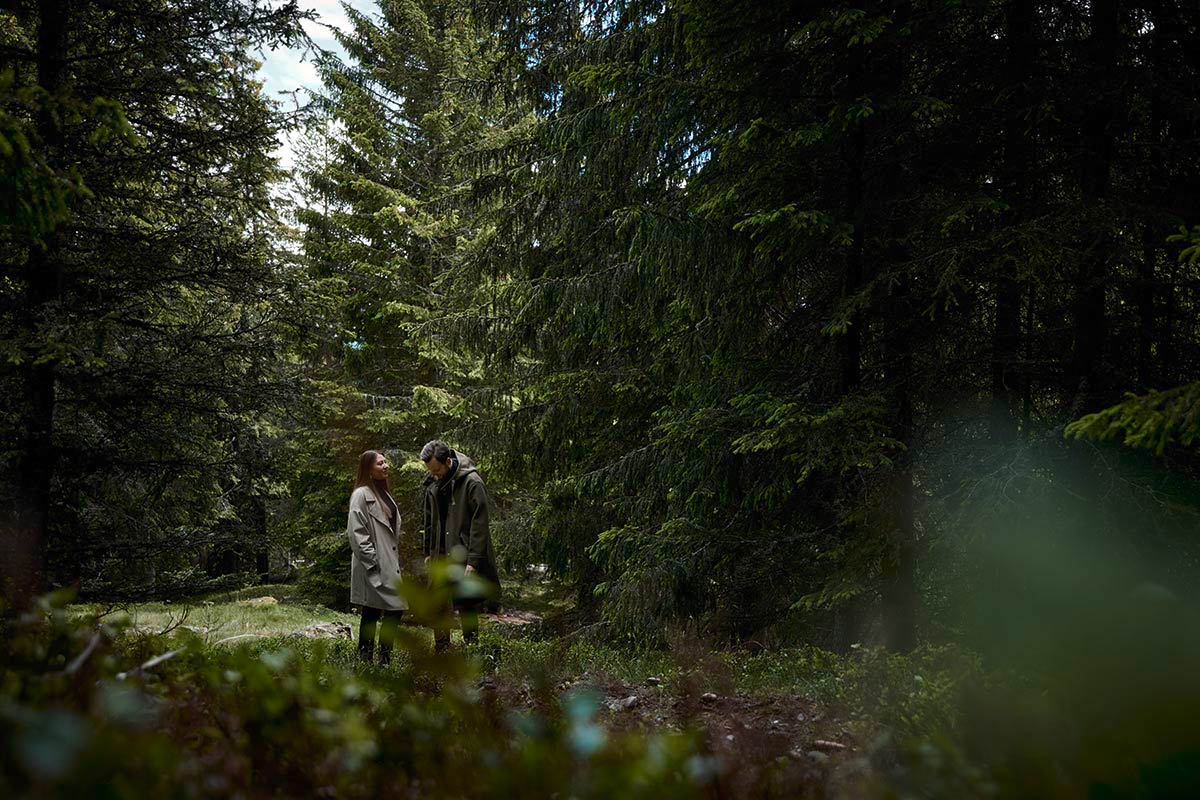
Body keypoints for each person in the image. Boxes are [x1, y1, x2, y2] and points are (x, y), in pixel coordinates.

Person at [420, 440, 500, 646]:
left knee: (466, 604)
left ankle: (471, 647)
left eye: (437, 470)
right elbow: (430, 520)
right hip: (440, 552)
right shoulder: (434, 482)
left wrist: (473, 561)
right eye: (430, 471)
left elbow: (480, 525)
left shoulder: (473, 482)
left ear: (448, 461)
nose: (433, 475)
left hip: (463, 552)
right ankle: (442, 650)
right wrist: (428, 551)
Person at [347, 449, 406, 663]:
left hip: (386, 564)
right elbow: (356, 533)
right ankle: (368, 659)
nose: (386, 465)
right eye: (380, 463)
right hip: (371, 565)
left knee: (392, 609)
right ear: (368, 469)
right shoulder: (360, 494)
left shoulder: (383, 493)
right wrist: (372, 561)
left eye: (385, 461)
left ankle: (383, 658)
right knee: (373, 611)